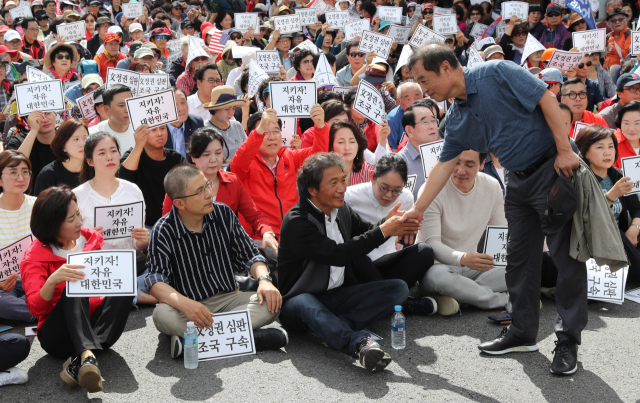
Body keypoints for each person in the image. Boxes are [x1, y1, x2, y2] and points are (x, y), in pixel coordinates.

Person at [403, 44, 593, 376]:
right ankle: (522, 332)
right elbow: (443, 167)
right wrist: (416, 211)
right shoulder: (457, 117)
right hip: (516, 183)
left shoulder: (497, 72)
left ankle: (567, 341)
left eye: (424, 78)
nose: (423, 89)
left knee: (566, 259)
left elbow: (547, 100)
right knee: (519, 259)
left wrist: (564, 149)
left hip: (552, 170)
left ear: (446, 68)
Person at [277, 152, 417, 372]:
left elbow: (367, 233)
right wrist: (384, 230)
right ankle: (358, 343)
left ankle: (333, 327)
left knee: (398, 288)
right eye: (334, 183)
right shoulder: (298, 221)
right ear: (312, 190)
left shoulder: (341, 208)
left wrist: (389, 223)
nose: (343, 187)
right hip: (297, 301)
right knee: (306, 302)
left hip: (336, 295)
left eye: (343, 179)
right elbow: (338, 254)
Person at [146, 164, 288, 358]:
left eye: (207, 185)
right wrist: (187, 305)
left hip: (228, 298)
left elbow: (250, 255)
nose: (208, 194)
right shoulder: (163, 229)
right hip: (186, 305)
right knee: (161, 315)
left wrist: (264, 280)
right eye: (199, 191)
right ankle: (249, 338)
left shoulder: (223, 213)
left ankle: (193, 341)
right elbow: (155, 282)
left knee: (271, 303)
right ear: (179, 203)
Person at [20, 186, 134, 393]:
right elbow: (36, 309)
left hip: (94, 325)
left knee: (125, 284)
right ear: (53, 225)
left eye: (78, 213)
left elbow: (103, 286)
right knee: (74, 285)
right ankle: (87, 355)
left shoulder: (91, 240)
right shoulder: (34, 256)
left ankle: (82, 359)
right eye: (71, 219)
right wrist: (53, 280)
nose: (79, 222)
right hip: (57, 336)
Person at [160, 128, 278, 267]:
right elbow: (167, 225)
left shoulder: (232, 181)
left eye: (218, 153)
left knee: (273, 256)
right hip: (191, 253)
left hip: (229, 250)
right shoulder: (180, 184)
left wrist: (267, 233)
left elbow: (255, 215)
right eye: (206, 154)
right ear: (193, 156)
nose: (213, 160)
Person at [417, 149, 508, 314]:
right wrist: (463, 259)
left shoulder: (492, 186)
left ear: (482, 164)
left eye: (469, 164)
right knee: (439, 278)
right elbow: (431, 244)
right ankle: (501, 300)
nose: (460, 170)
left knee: (521, 267)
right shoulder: (431, 189)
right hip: (438, 267)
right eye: (455, 162)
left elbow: (500, 234)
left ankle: (463, 295)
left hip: (473, 265)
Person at [72, 131, 156, 306]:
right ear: (90, 161)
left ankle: (126, 293)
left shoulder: (133, 190)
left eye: (113, 151)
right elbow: (70, 245)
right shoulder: (77, 196)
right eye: (102, 153)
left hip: (131, 265)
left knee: (160, 273)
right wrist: (88, 240)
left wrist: (142, 241)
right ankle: (134, 295)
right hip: (95, 268)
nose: (110, 157)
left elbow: (137, 245)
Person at [344, 154, 436, 312]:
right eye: (384, 188)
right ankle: (401, 303)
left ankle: (385, 299)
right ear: (372, 177)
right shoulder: (350, 197)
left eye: (396, 191)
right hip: (359, 266)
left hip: (386, 260)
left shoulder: (406, 198)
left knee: (425, 252)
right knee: (355, 254)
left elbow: (404, 237)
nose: (388, 195)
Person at [230, 107, 328, 239]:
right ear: (254, 135)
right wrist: (258, 132)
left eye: (276, 131)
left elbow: (318, 158)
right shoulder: (245, 163)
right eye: (264, 132)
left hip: (294, 234)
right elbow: (237, 163)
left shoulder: (289, 156)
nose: (271, 137)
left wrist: (320, 126)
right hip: (261, 238)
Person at [574, 125, 640, 282]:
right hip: (595, 243)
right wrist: (611, 196)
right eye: (600, 147)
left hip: (623, 237)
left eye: (611, 146)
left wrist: (634, 228)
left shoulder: (618, 175)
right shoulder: (579, 179)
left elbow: (637, 209)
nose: (607, 152)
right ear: (585, 153)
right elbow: (584, 217)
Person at [118, 123, 187, 229]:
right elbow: (123, 179)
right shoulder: (132, 156)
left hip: (172, 224)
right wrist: (138, 145)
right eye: (153, 130)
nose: (159, 133)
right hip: (140, 226)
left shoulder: (176, 159)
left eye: (162, 128)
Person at [0, 151, 37, 324]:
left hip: (38, 280)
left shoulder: (39, 205)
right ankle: (41, 310)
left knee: (60, 285)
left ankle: (28, 311)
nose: (20, 177)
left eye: (25, 171)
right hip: (5, 286)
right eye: (13, 172)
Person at [398, 99, 441, 200]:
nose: (432, 126)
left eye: (433, 121)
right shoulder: (400, 163)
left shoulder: (445, 153)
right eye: (425, 122)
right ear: (410, 130)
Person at [34, 120, 88, 196]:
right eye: (76, 139)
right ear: (63, 145)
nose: (82, 144)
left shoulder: (97, 169)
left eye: (85, 138)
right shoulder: (48, 174)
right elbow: (41, 206)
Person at [6, 111, 57, 191]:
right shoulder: (18, 141)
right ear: (27, 120)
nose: (45, 119)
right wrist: (33, 130)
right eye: (37, 115)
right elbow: (14, 166)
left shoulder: (67, 139)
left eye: (48, 113)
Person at [203, 86, 248, 160]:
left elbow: (247, 149)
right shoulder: (205, 129)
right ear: (215, 109)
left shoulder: (237, 125)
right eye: (227, 109)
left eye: (233, 108)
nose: (231, 112)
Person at [88, 85, 136, 153]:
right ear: (107, 109)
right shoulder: (93, 134)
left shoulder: (142, 130)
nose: (127, 110)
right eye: (121, 105)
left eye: (130, 104)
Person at [329, 121, 373, 186]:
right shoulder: (325, 175)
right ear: (331, 147)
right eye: (341, 142)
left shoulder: (370, 172)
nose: (347, 148)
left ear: (358, 145)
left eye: (352, 142)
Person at [166, 88, 205, 159]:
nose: (180, 108)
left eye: (183, 102)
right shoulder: (158, 128)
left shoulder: (196, 123)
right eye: (174, 105)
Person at [387, 82, 423, 152]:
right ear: (399, 101)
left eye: (417, 98)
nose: (413, 103)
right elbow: (392, 149)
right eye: (408, 99)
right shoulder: (392, 119)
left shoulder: (428, 113)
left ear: (422, 97)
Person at [613, 100, 640, 167]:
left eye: (637, 123)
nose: (631, 129)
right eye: (626, 123)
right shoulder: (612, 144)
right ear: (620, 122)